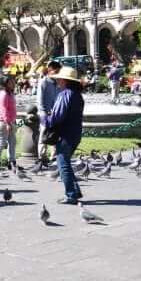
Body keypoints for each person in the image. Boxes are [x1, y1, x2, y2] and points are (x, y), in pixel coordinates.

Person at [45, 66, 85, 204]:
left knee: (63, 165)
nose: (58, 81)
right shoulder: (77, 95)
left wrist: (46, 120)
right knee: (66, 163)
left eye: (60, 79)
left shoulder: (65, 95)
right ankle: (75, 190)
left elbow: (57, 117)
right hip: (75, 134)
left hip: (65, 135)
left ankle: (71, 194)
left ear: (65, 81)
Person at [0, 76, 18, 171]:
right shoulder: (3, 94)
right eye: (11, 82)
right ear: (5, 83)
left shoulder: (10, 93)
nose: (13, 83)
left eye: (13, 81)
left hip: (10, 121)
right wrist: (7, 122)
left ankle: (11, 161)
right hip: (3, 122)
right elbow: (4, 110)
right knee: (1, 142)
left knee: (12, 142)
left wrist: (12, 121)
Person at [37, 61, 61, 159]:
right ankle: (42, 156)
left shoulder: (58, 82)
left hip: (56, 113)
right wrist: (44, 112)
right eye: (56, 71)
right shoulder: (44, 82)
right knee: (44, 133)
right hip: (45, 113)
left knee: (55, 133)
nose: (58, 73)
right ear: (50, 70)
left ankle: (54, 155)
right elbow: (40, 99)